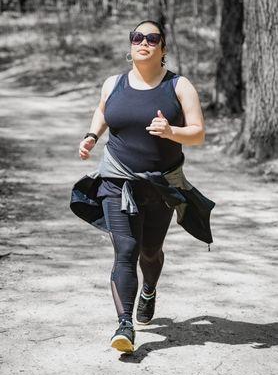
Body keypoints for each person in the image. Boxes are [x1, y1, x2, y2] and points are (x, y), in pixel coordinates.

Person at [76, 19, 211, 354]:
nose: (144, 42)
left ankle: (149, 288)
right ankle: (124, 326)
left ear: (162, 48)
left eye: (153, 38)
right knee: (126, 251)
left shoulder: (179, 86)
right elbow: (103, 111)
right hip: (116, 181)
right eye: (138, 37)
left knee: (150, 251)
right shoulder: (113, 84)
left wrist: (171, 132)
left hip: (160, 186)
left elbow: (198, 132)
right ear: (131, 45)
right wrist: (92, 136)